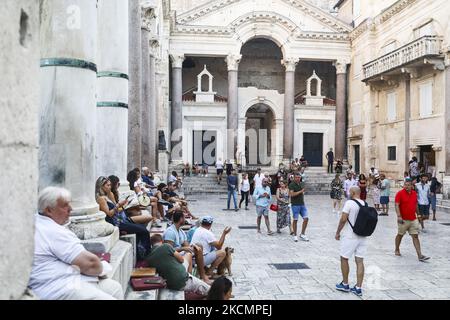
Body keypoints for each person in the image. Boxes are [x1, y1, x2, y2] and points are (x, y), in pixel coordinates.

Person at [29, 187, 123, 300]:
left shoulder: (38, 222)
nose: (71, 209)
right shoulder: (53, 230)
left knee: (114, 288)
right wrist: (103, 267)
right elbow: (91, 264)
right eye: (64, 205)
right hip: (59, 289)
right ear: (49, 210)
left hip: (69, 281)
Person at [95, 177, 152, 260]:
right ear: (101, 186)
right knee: (144, 231)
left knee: (142, 229)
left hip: (120, 220)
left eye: (110, 185)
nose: (110, 187)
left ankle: (142, 255)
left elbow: (117, 209)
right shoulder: (101, 199)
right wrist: (118, 205)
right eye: (107, 185)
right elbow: (109, 214)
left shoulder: (109, 195)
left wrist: (123, 204)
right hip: (115, 223)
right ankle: (146, 255)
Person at [334, 187, 368, 297]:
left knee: (344, 258)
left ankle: (345, 283)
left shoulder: (349, 203)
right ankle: (358, 288)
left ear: (353, 193)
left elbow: (343, 219)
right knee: (359, 261)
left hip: (350, 235)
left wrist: (338, 232)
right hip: (362, 236)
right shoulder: (364, 203)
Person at [164, 211, 210, 283]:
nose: (185, 219)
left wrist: (192, 246)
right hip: (173, 256)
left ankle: (202, 274)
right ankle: (200, 276)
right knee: (191, 253)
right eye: (184, 217)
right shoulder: (170, 232)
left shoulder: (181, 231)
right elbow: (168, 250)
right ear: (181, 219)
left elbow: (186, 245)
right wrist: (183, 248)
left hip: (180, 253)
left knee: (198, 246)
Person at [394, 178, 430, 262]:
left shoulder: (414, 193)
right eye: (405, 185)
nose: (406, 186)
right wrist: (399, 216)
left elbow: (416, 204)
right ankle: (397, 249)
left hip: (413, 219)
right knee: (400, 235)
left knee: (415, 236)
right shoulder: (399, 193)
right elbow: (396, 205)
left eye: (408, 185)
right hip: (403, 219)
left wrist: (419, 214)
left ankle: (420, 255)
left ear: (412, 186)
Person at [289, 173, 309, 242]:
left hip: (302, 204)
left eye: (299, 177)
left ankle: (302, 234)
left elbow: (304, 191)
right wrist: (301, 191)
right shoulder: (291, 184)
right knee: (295, 220)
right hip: (295, 205)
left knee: (306, 219)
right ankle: (295, 235)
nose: (298, 178)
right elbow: (291, 194)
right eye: (296, 177)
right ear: (294, 178)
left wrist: (303, 191)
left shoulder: (301, 184)